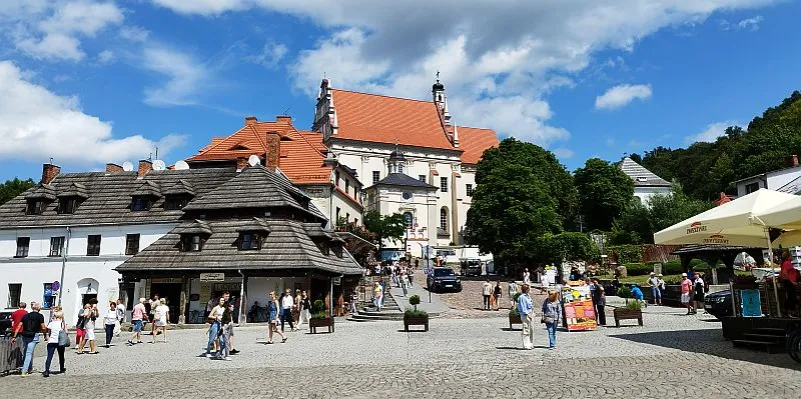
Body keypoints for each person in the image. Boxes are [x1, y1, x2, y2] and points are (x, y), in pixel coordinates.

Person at [11, 301, 46, 376]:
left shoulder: (26, 316)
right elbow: (43, 327)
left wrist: (14, 336)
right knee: (29, 353)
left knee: (26, 351)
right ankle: (24, 370)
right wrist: (45, 334)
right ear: (39, 309)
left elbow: (19, 326)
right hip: (34, 335)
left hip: (25, 335)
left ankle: (29, 368)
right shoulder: (40, 316)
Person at [42, 311, 67, 377]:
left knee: (49, 356)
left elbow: (48, 332)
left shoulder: (51, 323)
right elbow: (66, 332)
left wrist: (48, 337)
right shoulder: (62, 323)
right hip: (60, 341)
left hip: (52, 341)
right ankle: (61, 368)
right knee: (61, 356)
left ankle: (47, 370)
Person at [516, 284, 535, 350]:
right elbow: (523, 307)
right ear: (526, 289)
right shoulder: (522, 297)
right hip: (526, 315)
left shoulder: (528, 296)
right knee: (526, 329)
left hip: (531, 313)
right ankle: (526, 344)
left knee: (531, 330)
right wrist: (527, 314)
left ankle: (530, 343)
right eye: (529, 288)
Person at [780, 251, 799, 317]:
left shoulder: (785, 263)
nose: (792, 257)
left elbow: (782, 273)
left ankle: (787, 310)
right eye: (791, 255)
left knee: (791, 297)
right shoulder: (787, 263)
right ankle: (789, 311)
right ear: (788, 257)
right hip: (789, 282)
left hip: (788, 282)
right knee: (792, 297)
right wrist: (792, 281)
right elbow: (785, 273)